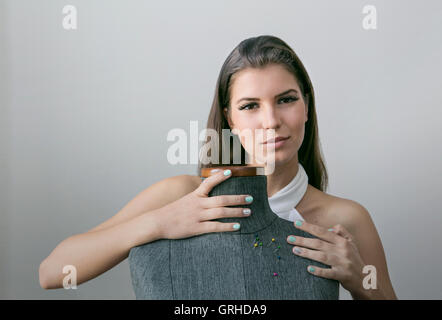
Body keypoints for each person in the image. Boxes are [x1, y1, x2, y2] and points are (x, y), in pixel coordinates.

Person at [39, 35, 397, 300]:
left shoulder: (345, 218)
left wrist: (360, 280)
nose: (271, 121)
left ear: (306, 106)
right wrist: (159, 222)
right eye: (250, 106)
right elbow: (53, 272)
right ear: (230, 118)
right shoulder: (181, 196)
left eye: (286, 100)